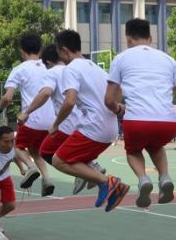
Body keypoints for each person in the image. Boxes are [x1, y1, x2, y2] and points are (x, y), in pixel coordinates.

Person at [105, 18, 176, 209]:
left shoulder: (121, 58)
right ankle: (165, 177)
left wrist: (118, 109)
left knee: (133, 150)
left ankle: (143, 179)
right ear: (150, 38)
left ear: (128, 39)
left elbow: (109, 100)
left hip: (137, 120)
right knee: (156, 145)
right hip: (167, 122)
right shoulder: (168, 59)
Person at [50, 29, 129, 212]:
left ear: (64, 51)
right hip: (110, 129)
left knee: (58, 160)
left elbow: (69, 101)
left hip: (94, 127)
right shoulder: (97, 68)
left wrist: (56, 124)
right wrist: (117, 109)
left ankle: (107, 182)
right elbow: (117, 92)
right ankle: (112, 186)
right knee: (78, 160)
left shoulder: (71, 69)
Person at [17, 44, 106, 195]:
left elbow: (45, 93)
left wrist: (27, 112)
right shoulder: (73, 70)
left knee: (46, 151)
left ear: (48, 63)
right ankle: (91, 165)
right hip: (84, 123)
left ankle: (85, 172)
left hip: (66, 124)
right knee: (67, 150)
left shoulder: (52, 72)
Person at [0, 33, 56, 194]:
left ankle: (31, 167)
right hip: (51, 121)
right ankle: (47, 179)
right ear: (40, 50)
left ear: (22, 51)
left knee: (15, 147)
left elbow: (7, 97)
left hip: (31, 119)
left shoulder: (19, 69)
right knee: (36, 151)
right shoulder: (49, 66)